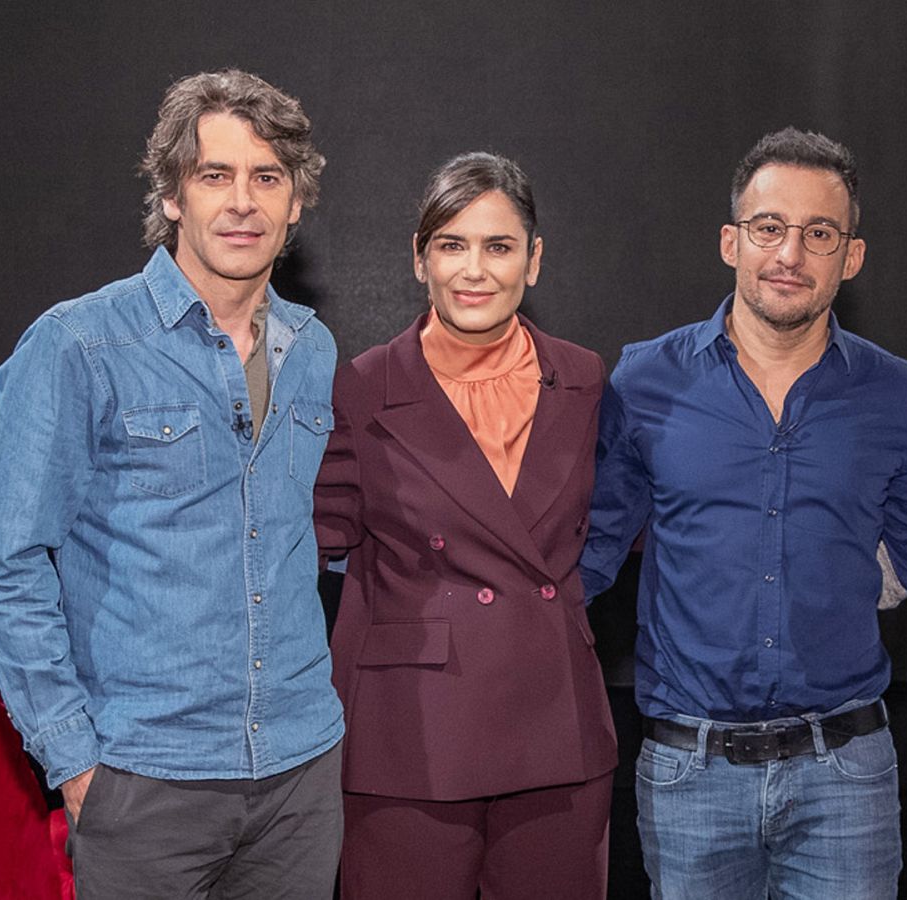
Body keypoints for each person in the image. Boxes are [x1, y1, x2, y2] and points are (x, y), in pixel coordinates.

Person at [0, 70, 343, 898]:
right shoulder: (78, 345)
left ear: (296, 202)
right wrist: (74, 763)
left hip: (301, 773)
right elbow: (6, 569)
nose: (242, 202)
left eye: (267, 177)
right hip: (144, 780)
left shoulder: (312, 348)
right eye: (215, 175)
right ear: (172, 195)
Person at [582, 128, 907, 899]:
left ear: (851, 256)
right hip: (688, 777)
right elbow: (587, 554)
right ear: (731, 242)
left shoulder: (895, 392)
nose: (790, 253)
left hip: (846, 777)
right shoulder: (645, 380)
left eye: (819, 234)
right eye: (769, 227)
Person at [315, 152, 617, 899]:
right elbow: (310, 541)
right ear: (420, 258)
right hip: (409, 738)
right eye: (452, 245)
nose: (474, 270)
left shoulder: (584, 378)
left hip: (556, 726)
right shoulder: (361, 385)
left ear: (533, 260)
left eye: (498, 246)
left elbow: (610, 523)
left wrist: (566, 610)